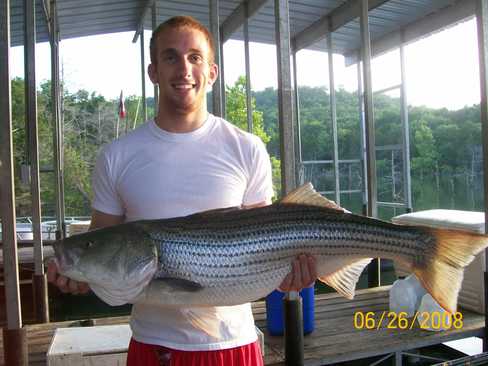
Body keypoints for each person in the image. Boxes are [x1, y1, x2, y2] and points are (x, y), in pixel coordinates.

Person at [47, 15, 317, 366]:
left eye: (195, 57)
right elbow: (102, 242)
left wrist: (289, 273)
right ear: (153, 71)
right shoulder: (117, 156)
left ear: (212, 72)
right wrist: (80, 275)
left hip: (233, 345)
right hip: (152, 346)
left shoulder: (246, 148)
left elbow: (264, 242)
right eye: (170, 57)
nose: (184, 69)